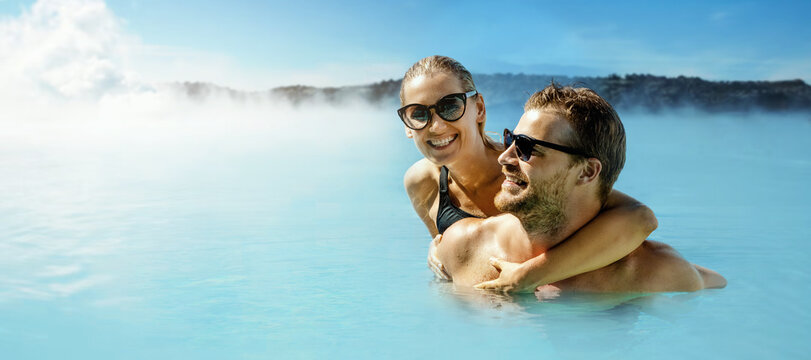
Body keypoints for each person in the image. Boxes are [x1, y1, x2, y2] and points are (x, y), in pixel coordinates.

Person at [399, 55, 657, 292]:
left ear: (479, 108)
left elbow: (639, 219)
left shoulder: (523, 167)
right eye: (418, 114)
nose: (436, 125)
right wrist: (437, 251)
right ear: (408, 127)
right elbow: (459, 251)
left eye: (450, 106)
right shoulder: (421, 183)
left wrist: (530, 275)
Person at [434, 84, 727, 292]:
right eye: (511, 139)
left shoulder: (652, 273)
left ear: (587, 171)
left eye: (526, 147)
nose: (505, 156)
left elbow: (718, 288)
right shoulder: (463, 247)